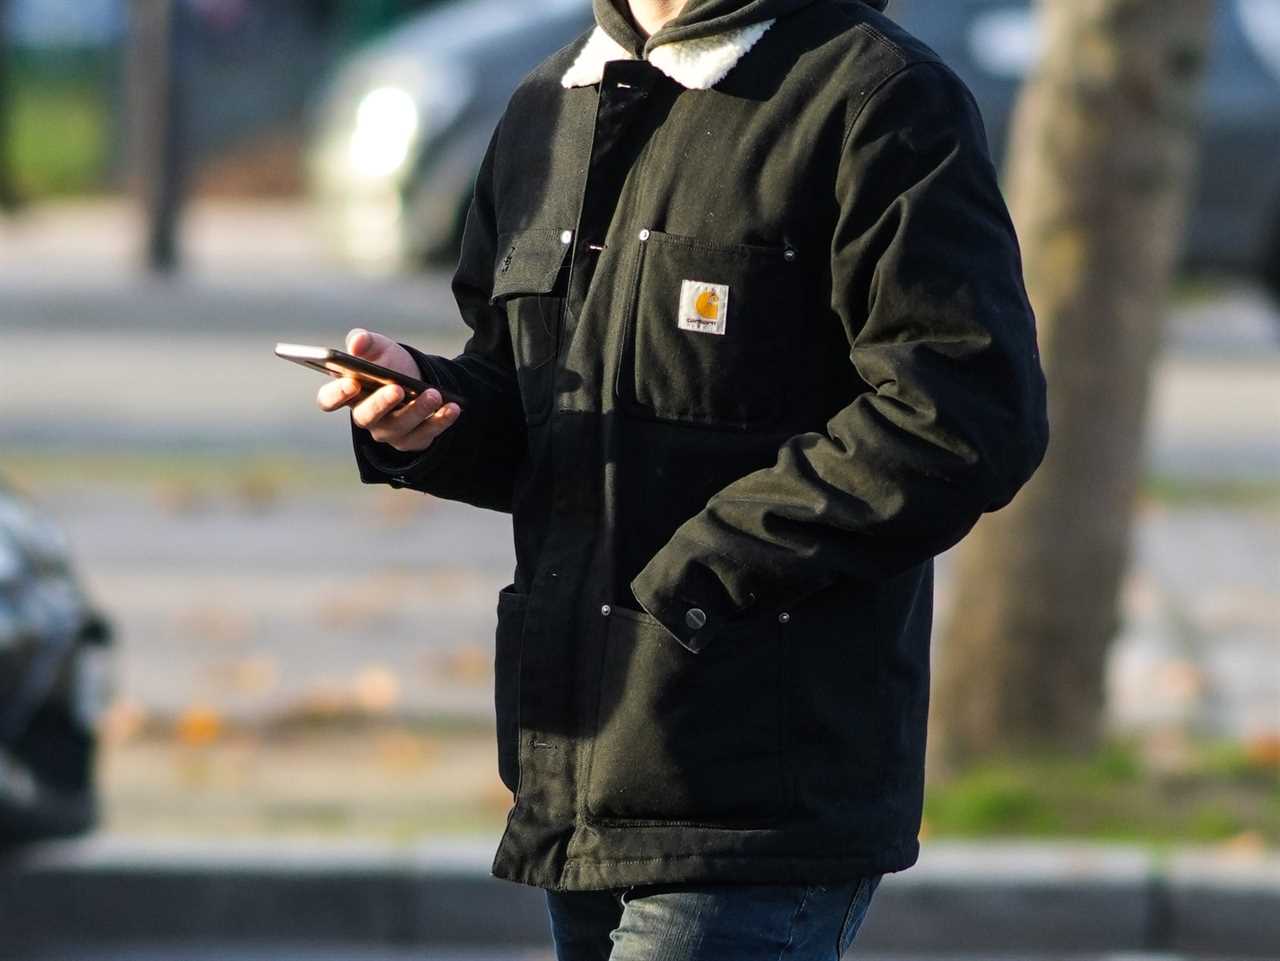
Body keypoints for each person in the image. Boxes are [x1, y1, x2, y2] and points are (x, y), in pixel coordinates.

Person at [316, 0, 1049, 956]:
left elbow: (962, 413)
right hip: (577, 777)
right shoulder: (549, 102)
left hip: (759, 792)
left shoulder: (876, 98)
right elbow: (546, 409)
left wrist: (702, 575)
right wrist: (428, 415)